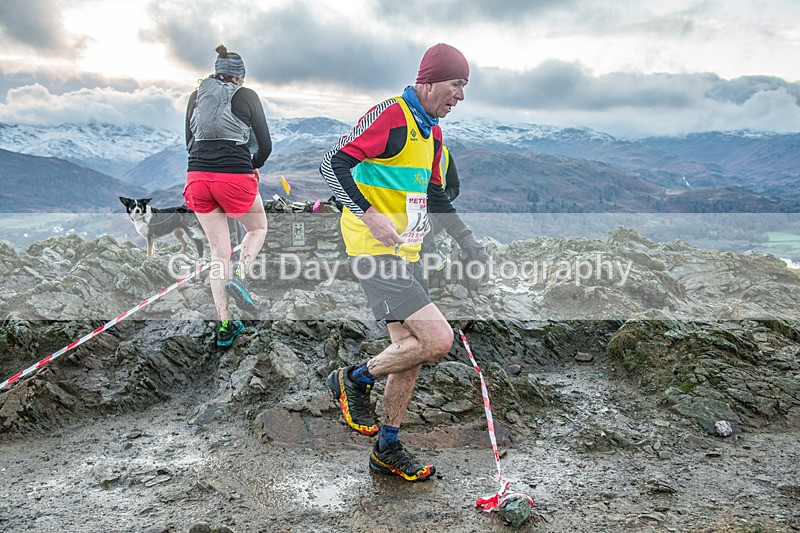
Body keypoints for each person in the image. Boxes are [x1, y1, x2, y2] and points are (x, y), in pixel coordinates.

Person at [320, 43, 488, 481]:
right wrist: (369, 215)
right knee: (437, 340)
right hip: (373, 252)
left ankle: (387, 446)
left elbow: (434, 195)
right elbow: (332, 165)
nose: (461, 97)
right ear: (428, 81)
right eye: (456, 84)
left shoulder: (431, 132)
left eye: (464, 86)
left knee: (408, 353)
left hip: (407, 253)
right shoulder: (393, 115)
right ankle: (355, 378)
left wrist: (467, 241)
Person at [183, 45, 272, 348]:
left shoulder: (197, 96)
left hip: (197, 177)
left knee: (218, 255)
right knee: (257, 228)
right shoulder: (247, 96)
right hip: (234, 176)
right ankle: (241, 277)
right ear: (241, 76)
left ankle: (224, 326)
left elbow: (189, 142)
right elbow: (265, 146)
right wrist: (250, 165)